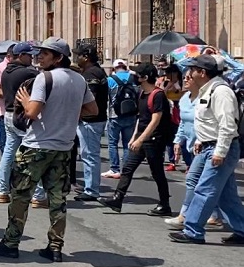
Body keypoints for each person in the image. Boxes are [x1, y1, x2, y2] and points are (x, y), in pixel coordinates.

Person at [0, 37, 97, 262]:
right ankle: (55, 246)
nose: (40, 56)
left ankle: (10, 242)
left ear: (58, 58)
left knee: (20, 196)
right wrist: (68, 114)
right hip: (64, 147)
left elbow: (32, 113)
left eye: (46, 54)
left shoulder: (43, 78)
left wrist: (26, 101)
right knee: (57, 199)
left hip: (36, 146)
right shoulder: (79, 79)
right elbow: (92, 109)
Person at [169, 55, 244, 245]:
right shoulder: (208, 90)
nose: (189, 73)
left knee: (204, 189)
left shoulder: (220, 92)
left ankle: (193, 230)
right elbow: (208, 121)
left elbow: (227, 125)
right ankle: (242, 229)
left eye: (192, 69)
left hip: (219, 147)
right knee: (227, 196)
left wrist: (220, 151)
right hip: (209, 145)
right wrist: (201, 140)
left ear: (202, 72)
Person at [98, 63, 172, 216]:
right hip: (142, 137)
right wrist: (134, 137)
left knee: (157, 172)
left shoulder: (158, 95)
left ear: (145, 77)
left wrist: (141, 139)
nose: (135, 77)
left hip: (154, 139)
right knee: (128, 168)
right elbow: (141, 118)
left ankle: (165, 204)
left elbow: (155, 120)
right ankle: (117, 199)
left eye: (138, 74)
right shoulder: (141, 93)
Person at [165, 66, 223, 231]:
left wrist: (201, 139)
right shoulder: (184, 99)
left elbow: (210, 122)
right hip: (191, 146)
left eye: (189, 78)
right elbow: (183, 123)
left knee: (194, 181)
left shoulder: (207, 97)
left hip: (206, 145)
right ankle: (217, 215)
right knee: (218, 187)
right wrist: (178, 141)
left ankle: (186, 215)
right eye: (184, 77)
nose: (185, 80)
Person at [0, 42, 46, 205]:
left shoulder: (5, 72)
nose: (32, 58)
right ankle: (37, 195)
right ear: (21, 56)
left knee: (8, 153)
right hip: (23, 115)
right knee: (34, 153)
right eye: (29, 55)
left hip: (9, 114)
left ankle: (3, 191)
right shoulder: (28, 73)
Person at [73, 44, 109, 202]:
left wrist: (79, 111)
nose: (76, 58)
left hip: (90, 120)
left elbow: (90, 97)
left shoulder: (91, 73)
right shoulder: (95, 71)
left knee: (89, 155)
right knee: (89, 154)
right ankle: (90, 186)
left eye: (78, 55)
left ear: (86, 57)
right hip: (94, 119)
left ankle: (92, 190)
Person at [103, 59, 137, 178]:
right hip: (131, 114)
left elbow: (105, 97)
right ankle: (126, 170)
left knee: (113, 143)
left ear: (114, 68)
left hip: (114, 115)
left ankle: (114, 169)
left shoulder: (110, 80)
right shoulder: (133, 78)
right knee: (127, 143)